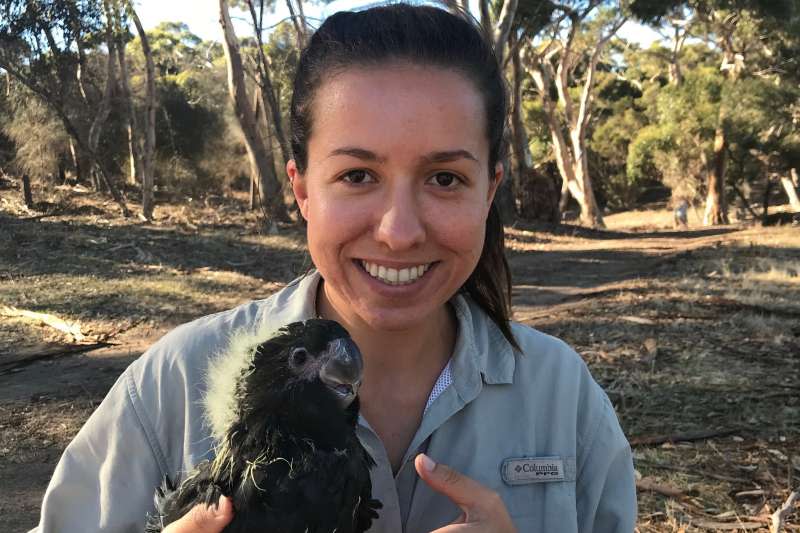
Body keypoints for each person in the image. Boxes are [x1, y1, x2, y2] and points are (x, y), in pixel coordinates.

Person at [31, 4, 636, 532]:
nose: (399, 231)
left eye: (445, 179)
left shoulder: (564, 398)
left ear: (489, 190)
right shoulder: (171, 385)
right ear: (300, 189)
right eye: (357, 176)